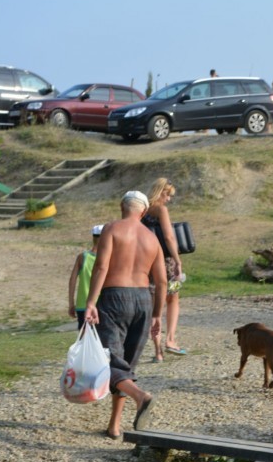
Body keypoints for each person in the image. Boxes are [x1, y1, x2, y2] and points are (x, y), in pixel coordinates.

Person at [85, 191, 166, 439]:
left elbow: (101, 267)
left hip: (114, 297)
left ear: (123, 206)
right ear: (143, 211)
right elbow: (162, 281)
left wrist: (90, 302)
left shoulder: (112, 228)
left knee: (111, 362)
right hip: (143, 299)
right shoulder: (152, 239)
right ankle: (114, 426)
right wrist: (156, 315)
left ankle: (141, 397)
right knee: (126, 366)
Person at [142, 178, 186, 360]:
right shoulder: (161, 210)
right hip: (166, 262)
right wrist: (177, 261)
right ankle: (170, 340)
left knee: (154, 306)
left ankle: (157, 351)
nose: (168, 199)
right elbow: (169, 237)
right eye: (167, 195)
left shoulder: (141, 210)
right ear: (160, 191)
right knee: (173, 298)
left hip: (147, 262)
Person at [68, 224, 103, 330]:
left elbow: (72, 280)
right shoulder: (108, 258)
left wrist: (71, 303)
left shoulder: (82, 257)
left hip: (83, 304)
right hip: (103, 304)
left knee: (84, 337)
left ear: (93, 237)